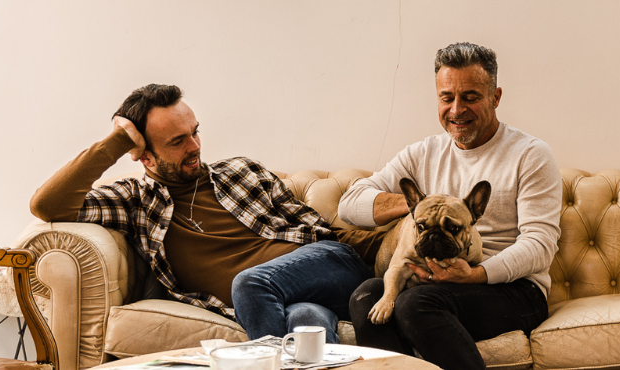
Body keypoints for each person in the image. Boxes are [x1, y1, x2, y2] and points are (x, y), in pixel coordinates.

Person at [30, 84, 383, 343]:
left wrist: (392, 250)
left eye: (194, 133)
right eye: (177, 141)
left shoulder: (241, 172)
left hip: (328, 266)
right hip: (287, 302)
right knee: (306, 324)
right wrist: (116, 141)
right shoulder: (134, 201)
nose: (195, 146)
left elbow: (321, 231)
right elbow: (47, 205)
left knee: (249, 281)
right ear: (143, 155)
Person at [339, 42, 563, 370]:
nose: (456, 109)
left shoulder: (530, 154)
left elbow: (540, 246)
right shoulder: (422, 153)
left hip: (513, 290)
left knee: (417, 303)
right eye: (447, 98)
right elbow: (349, 204)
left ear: (495, 97)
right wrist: (419, 208)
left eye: (470, 97)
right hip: (434, 283)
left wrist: (475, 275)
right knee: (366, 296)